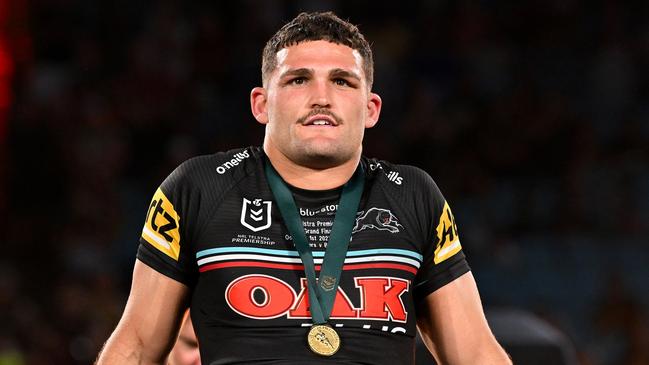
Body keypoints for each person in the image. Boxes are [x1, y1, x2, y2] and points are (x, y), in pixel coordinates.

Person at [96, 11, 511, 365]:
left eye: (342, 82)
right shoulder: (198, 188)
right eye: (298, 80)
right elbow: (135, 347)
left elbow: (474, 353)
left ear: (371, 109)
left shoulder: (413, 195)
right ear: (261, 103)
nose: (321, 98)